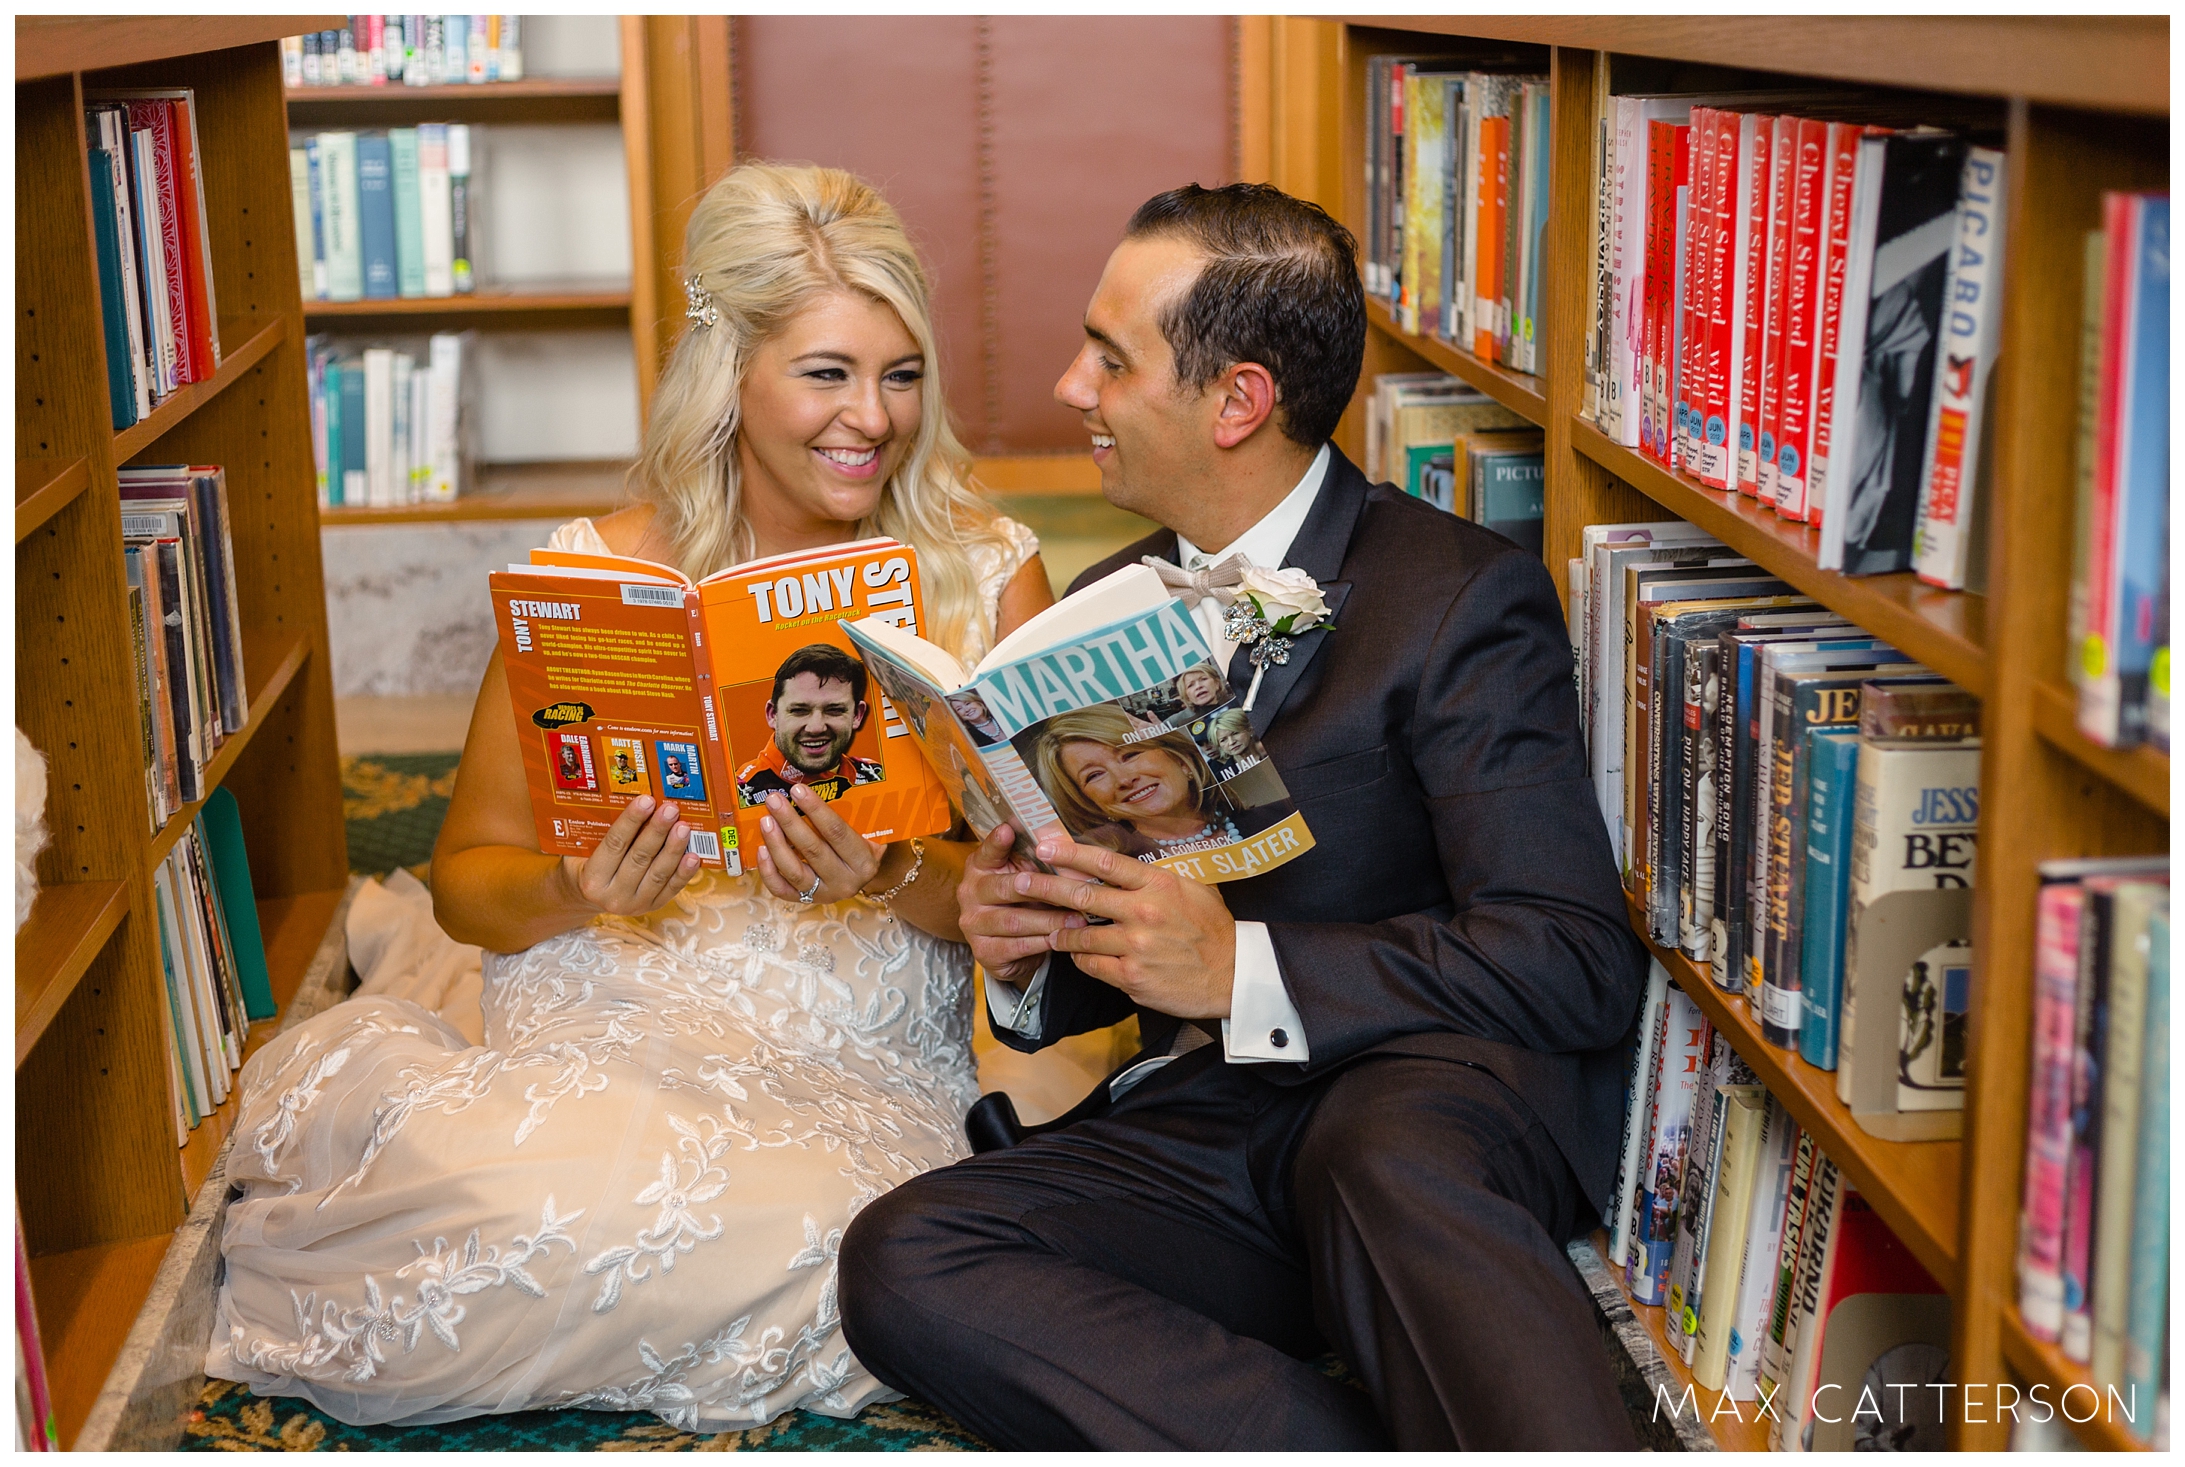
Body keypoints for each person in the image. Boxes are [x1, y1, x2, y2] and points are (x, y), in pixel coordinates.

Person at [205, 162, 1057, 1431]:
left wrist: (882, 871)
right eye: (826, 373)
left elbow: (1030, 904)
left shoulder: (988, 577)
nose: (870, 419)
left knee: (840, 1241)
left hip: (853, 1049)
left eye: (901, 372)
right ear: (733, 378)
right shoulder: (592, 576)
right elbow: (468, 888)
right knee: (528, 1204)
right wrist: (571, 885)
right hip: (619, 998)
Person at [837, 183, 1649, 1449]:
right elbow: (1116, 946)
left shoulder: (1453, 597)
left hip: (1414, 1097)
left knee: (1383, 1165)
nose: (1069, 387)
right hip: (1215, 1121)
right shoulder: (1102, 611)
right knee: (904, 1255)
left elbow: (1572, 958)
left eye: (1109, 358)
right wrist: (1026, 938)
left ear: (1237, 401)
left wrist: (1242, 967)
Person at [1030, 704, 1239, 860]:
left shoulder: (1267, 819)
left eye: (1130, 755)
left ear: (1179, 760)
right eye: (1094, 775)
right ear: (1087, 801)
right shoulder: (1117, 874)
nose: (1124, 779)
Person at [734, 644, 887, 806]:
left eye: (834, 710)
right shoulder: (741, 793)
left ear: (857, 715)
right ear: (773, 714)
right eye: (799, 710)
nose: (816, 728)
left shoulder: (876, 775)